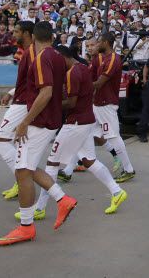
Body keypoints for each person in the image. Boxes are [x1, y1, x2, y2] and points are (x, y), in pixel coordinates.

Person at [0, 21, 76, 246]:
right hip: (49, 121)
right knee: (27, 169)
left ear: (34, 37)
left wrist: (24, 123)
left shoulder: (41, 58)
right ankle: (62, 199)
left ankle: (27, 227)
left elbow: (47, 92)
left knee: (22, 172)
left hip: (39, 122)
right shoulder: (58, 57)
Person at [26, 45, 127, 219]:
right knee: (89, 160)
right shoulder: (82, 67)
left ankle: (40, 208)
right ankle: (117, 192)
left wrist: (52, 103)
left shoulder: (72, 73)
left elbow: (71, 103)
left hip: (76, 123)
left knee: (51, 164)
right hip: (86, 120)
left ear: (63, 57)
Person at [0, 21, 35, 201]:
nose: (13, 34)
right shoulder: (26, 52)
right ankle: (21, 182)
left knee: (1, 141)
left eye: (17, 31)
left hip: (23, 103)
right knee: (19, 143)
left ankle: (22, 181)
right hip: (20, 100)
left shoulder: (33, 52)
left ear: (26, 33)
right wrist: (11, 92)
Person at [91, 33, 135, 182]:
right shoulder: (101, 58)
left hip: (106, 104)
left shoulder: (113, 60)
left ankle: (128, 169)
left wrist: (80, 85)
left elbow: (98, 83)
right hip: (98, 103)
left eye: (98, 42)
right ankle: (68, 170)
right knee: (84, 133)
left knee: (114, 137)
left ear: (105, 43)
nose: (96, 45)